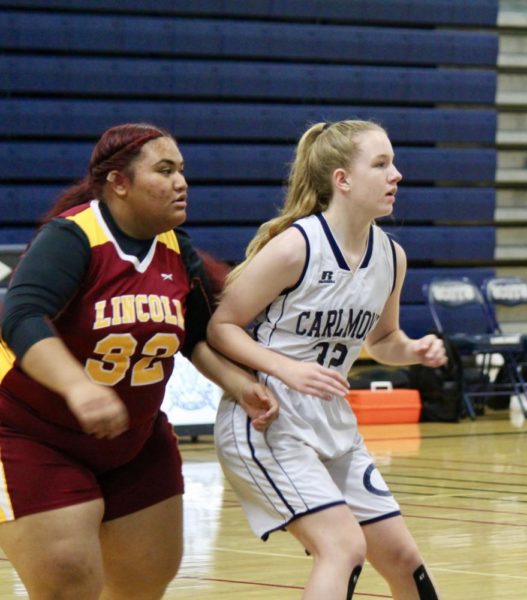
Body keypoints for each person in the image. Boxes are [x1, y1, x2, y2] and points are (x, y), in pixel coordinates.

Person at [0, 123, 277, 599]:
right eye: (165, 170)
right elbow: (20, 316)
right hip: (30, 435)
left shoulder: (176, 249)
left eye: (182, 171)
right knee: (68, 582)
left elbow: (195, 339)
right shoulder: (72, 237)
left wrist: (240, 385)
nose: (181, 182)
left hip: (134, 437)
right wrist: (78, 386)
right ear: (119, 183)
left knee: (145, 580)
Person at [207, 120, 447, 600]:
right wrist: (285, 368)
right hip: (267, 417)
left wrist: (414, 350)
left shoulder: (391, 256)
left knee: (402, 558)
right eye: (381, 164)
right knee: (342, 547)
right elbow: (220, 327)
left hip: (333, 423)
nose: (396, 174)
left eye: (393, 163)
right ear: (343, 180)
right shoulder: (297, 246)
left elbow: (382, 340)